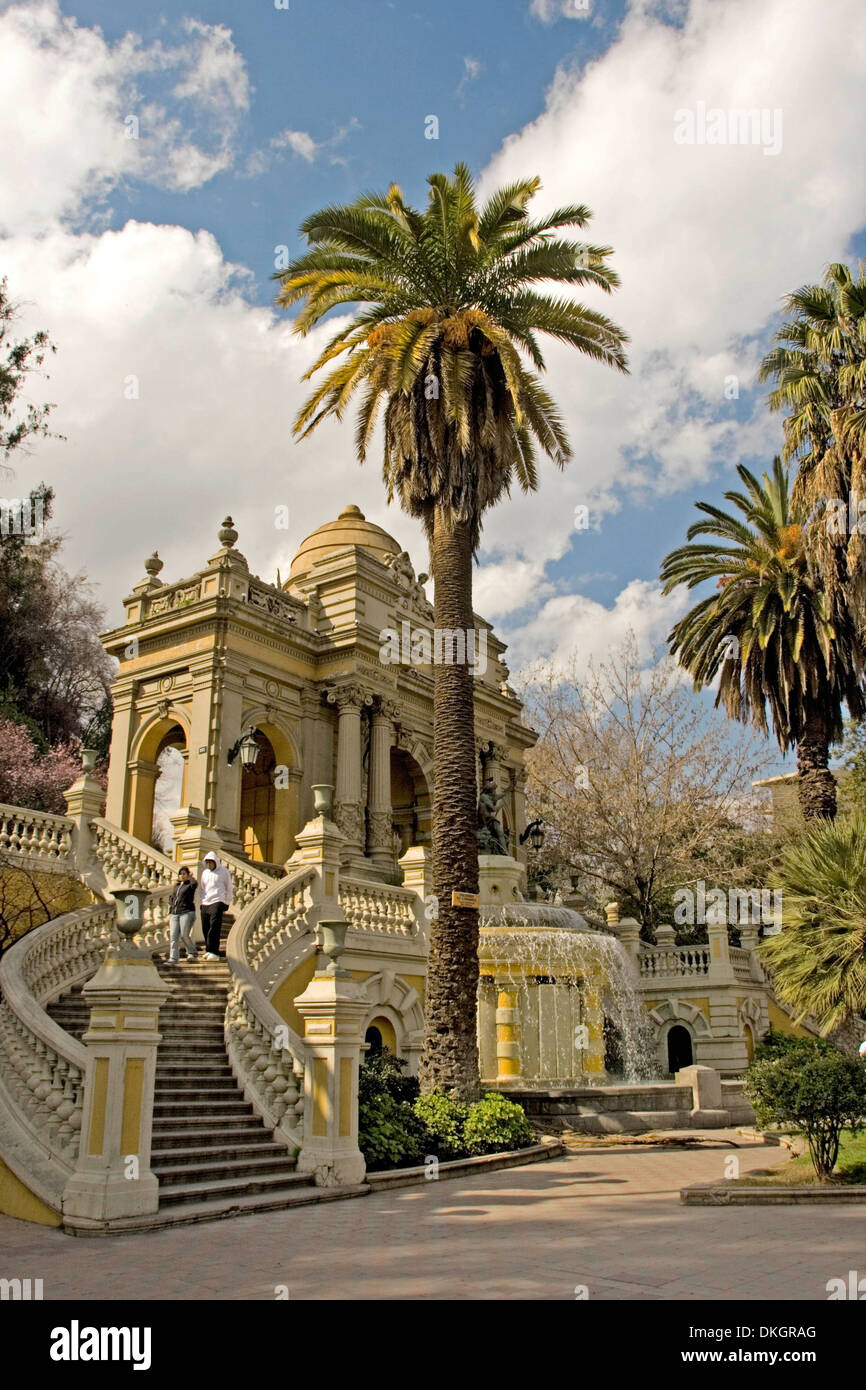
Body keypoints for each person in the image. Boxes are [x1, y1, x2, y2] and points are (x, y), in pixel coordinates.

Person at [199, 852, 232, 961]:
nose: (209, 865)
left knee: (214, 927)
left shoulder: (224, 872)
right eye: (207, 862)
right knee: (205, 927)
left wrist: (226, 902)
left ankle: (214, 951)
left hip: (217, 901)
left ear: (215, 862)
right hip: (205, 902)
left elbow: (229, 887)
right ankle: (209, 950)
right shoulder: (205, 873)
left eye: (210, 862)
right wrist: (201, 901)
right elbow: (203, 888)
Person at [168, 865, 198, 964]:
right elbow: (172, 897)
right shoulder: (177, 886)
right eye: (180, 874)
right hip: (175, 913)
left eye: (184, 874)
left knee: (184, 935)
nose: (182, 875)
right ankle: (173, 958)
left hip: (186, 912)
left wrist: (191, 877)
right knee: (173, 936)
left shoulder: (191, 884)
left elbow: (195, 883)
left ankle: (192, 952)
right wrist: (172, 906)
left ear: (188, 874)